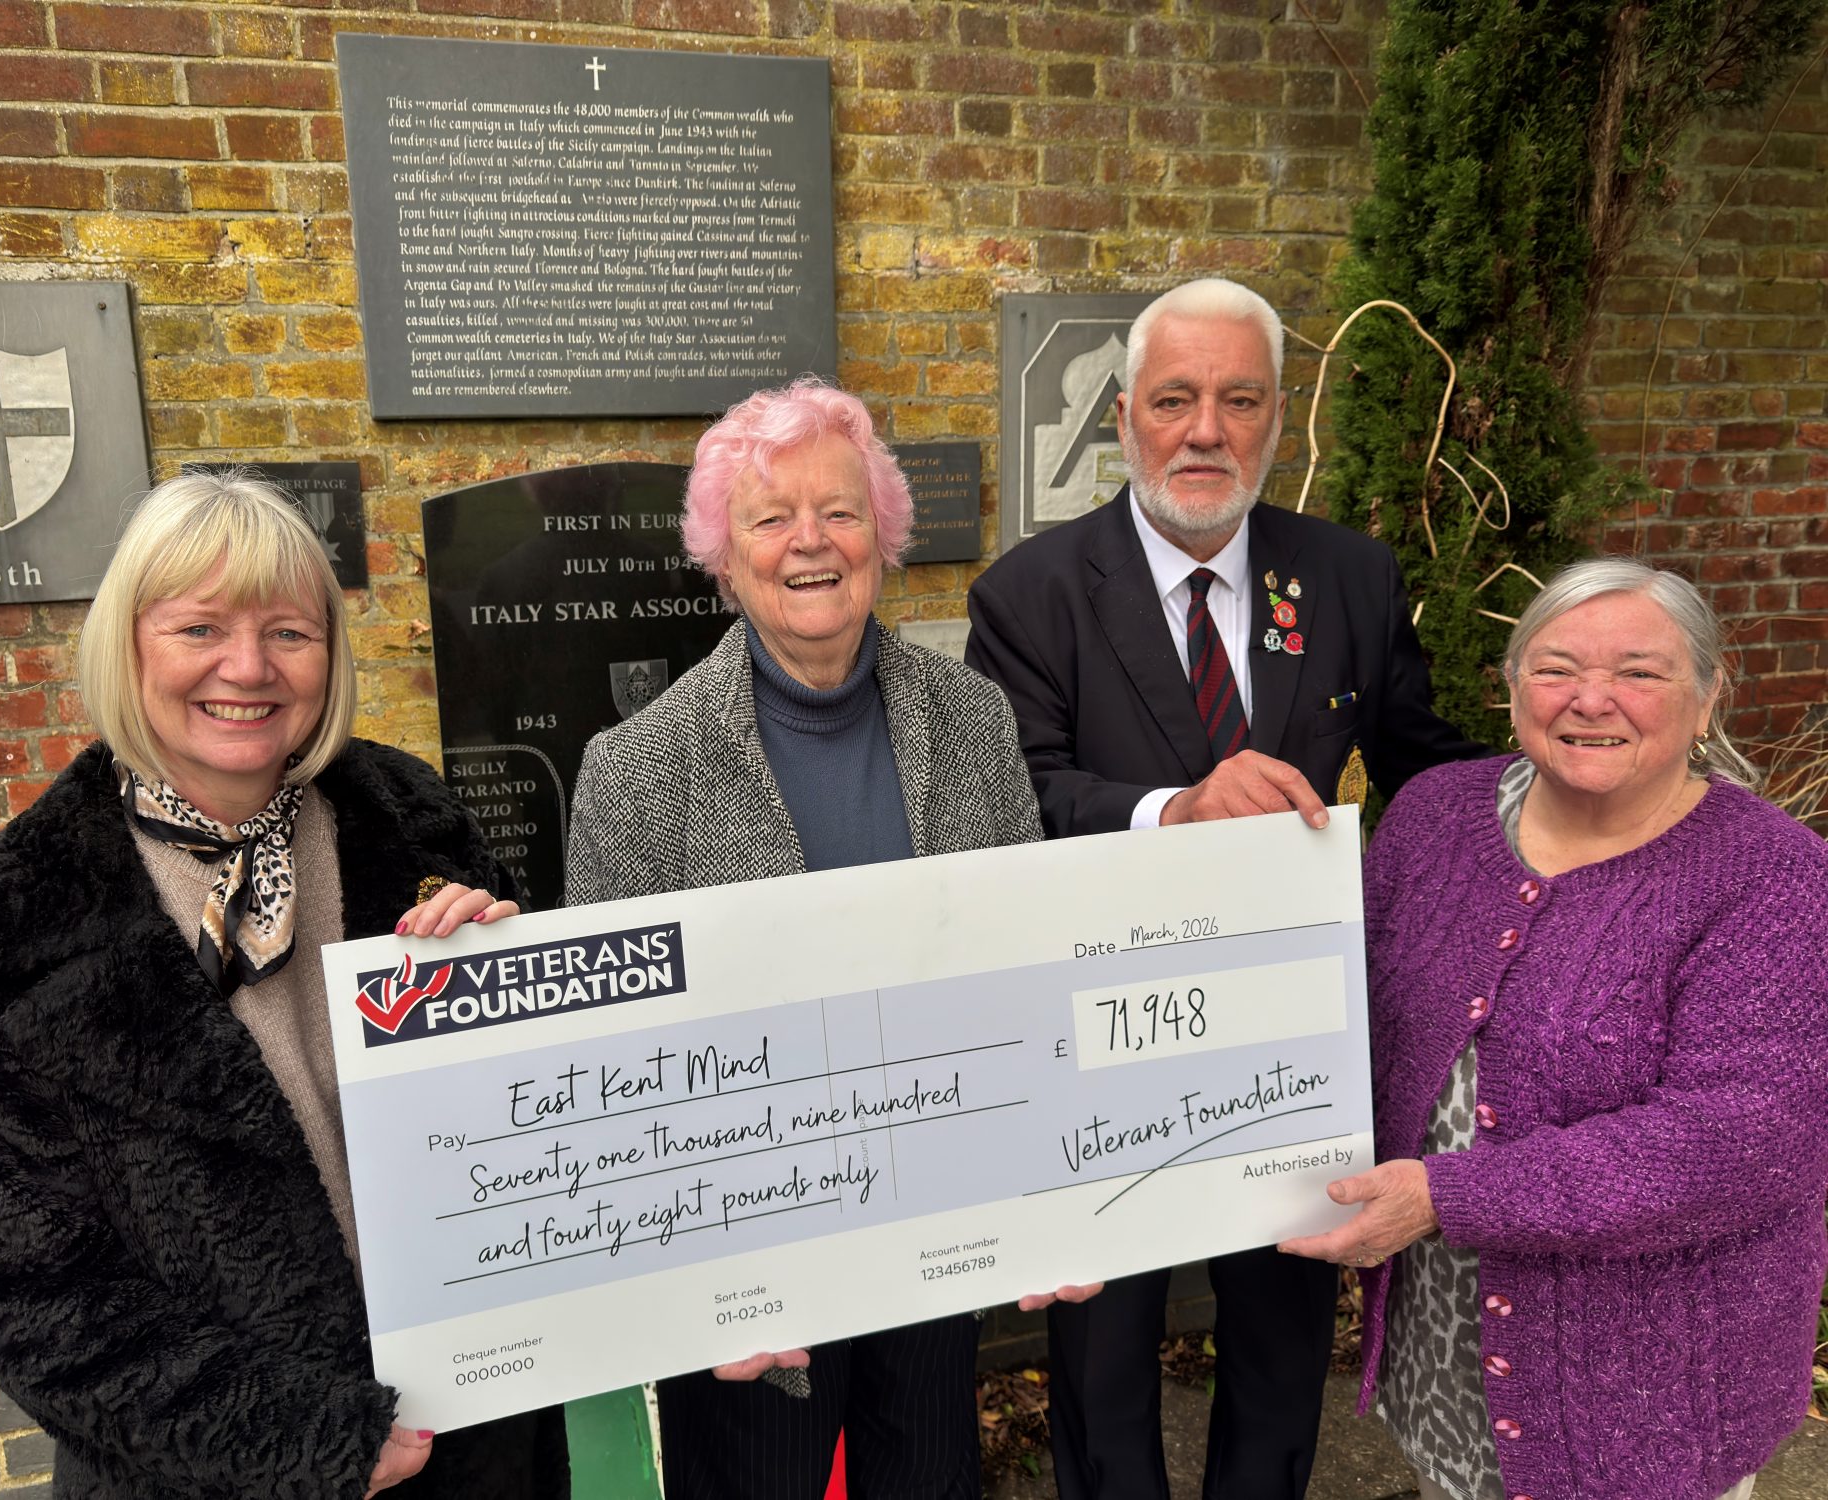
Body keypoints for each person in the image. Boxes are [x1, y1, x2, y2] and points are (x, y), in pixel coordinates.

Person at [0, 472, 566, 1499]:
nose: (249, 667)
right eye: (200, 628)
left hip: (475, 1446)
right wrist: (297, 1440)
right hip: (214, 1477)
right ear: (129, 645)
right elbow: (15, 1280)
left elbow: (553, 1132)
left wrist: (518, 984)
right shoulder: (12, 923)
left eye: (289, 633)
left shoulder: (421, 826)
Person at [965, 277, 1482, 1500]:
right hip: (1099, 1033)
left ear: (1275, 416)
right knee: (1101, 1349)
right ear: (1123, 418)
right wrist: (1170, 811)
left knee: (1281, 1333)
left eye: (1238, 400)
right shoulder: (1029, 592)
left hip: (1289, 1035)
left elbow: (1421, 766)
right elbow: (1009, 797)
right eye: (1173, 400)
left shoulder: (1347, 575)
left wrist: (1571, 801)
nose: (1204, 430)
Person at [564, 378, 1094, 1500]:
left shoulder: (972, 719)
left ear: (881, 535)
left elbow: (1028, 975)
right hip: (747, 1293)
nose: (810, 540)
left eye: (839, 511)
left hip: (936, 1247)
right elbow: (614, 1067)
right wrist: (685, 1288)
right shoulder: (636, 769)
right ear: (724, 554)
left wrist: (1052, 1201)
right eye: (771, 517)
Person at [1280, 557, 1828, 1500]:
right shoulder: (1435, 816)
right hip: (1442, 1353)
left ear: (1707, 697)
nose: (1591, 699)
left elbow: (1739, 1141)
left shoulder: (1775, 878)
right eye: (1555, 667)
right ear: (1512, 689)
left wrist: (1447, 1196)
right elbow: (1341, 1012)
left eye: (1640, 673)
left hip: (1644, 1399)